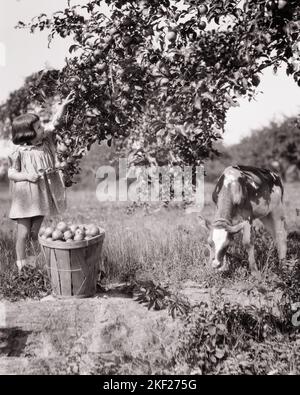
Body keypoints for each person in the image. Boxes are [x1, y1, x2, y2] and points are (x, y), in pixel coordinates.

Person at [8, 92, 74, 273]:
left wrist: (63, 106)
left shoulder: (44, 142)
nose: (42, 128)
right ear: (27, 133)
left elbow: (55, 122)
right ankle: (21, 267)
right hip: (24, 197)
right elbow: (11, 173)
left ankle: (34, 265)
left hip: (41, 195)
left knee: (34, 234)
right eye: (37, 127)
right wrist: (27, 176)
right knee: (22, 233)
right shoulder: (19, 152)